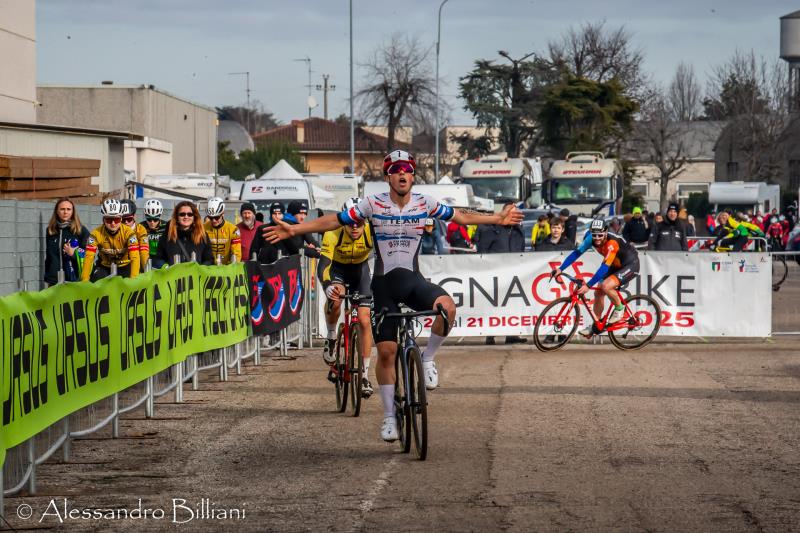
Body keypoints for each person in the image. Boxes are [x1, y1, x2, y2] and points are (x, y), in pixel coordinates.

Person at [263, 149, 522, 442]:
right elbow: (335, 221)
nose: (403, 173)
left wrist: (498, 219)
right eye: (397, 169)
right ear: (388, 176)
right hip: (383, 285)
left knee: (447, 308)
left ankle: (427, 359)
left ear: (412, 175)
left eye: (408, 169)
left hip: (413, 281)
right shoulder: (373, 203)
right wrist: (295, 229)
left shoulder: (426, 202)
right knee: (386, 352)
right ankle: (389, 417)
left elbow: (461, 216)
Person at [318, 197, 375, 398]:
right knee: (336, 300)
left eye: (359, 223)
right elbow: (323, 264)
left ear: (365, 221)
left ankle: (365, 376)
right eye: (350, 223)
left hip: (360, 270)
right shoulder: (332, 232)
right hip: (338, 270)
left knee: (365, 319)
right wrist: (327, 286)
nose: (354, 228)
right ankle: (332, 336)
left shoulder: (371, 231)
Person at [553, 218, 639, 338]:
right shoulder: (590, 239)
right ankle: (596, 325)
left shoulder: (611, 243)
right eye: (594, 235)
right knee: (598, 293)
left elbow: (603, 268)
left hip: (630, 264)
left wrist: (588, 285)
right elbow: (576, 253)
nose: (597, 238)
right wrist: (560, 269)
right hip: (615, 264)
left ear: (605, 232)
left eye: (600, 235)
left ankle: (620, 308)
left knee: (605, 286)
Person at [473, 203, 527, 345]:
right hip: (494, 273)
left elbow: (522, 251)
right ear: (504, 212)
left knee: (513, 304)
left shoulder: (518, 231)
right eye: (511, 212)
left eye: (516, 213)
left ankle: (512, 335)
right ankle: (490, 334)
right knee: (494, 304)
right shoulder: (491, 229)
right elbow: (482, 251)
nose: (514, 215)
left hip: (514, 273)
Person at [81, 199, 140, 281]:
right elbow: (89, 257)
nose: (113, 223)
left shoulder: (129, 233)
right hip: (105, 267)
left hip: (125, 266)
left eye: (116, 219)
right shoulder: (95, 234)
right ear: (103, 219)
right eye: (109, 219)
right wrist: (84, 280)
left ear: (121, 219)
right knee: (96, 278)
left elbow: (135, 257)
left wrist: (133, 280)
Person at [44, 197, 91, 285]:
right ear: (57, 211)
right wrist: (48, 276)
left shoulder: (81, 230)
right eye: (62, 209)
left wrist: (74, 253)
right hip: (54, 280)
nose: (65, 212)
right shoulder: (50, 230)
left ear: (72, 211)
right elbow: (48, 255)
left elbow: (89, 254)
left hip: (73, 279)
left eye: (68, 209)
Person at [157, 201, 214, 265]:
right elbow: (158, 259)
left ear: (194, 217)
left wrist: (200, 268)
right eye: (182, 214)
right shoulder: (168, 235)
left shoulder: (202, 236)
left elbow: (209, 259)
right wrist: (166, 267)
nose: (186, 217)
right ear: (177, 217)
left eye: (190, 214)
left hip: (194, 274)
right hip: (173, 274)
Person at [203, 197, 242, 264]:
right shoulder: (203, 227)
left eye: (216, 217)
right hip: (207, 268)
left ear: (223, 213)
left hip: (227, 268)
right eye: (210, 218)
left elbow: (236, 253)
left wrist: (230, 268)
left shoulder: (233, 229)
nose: (214, 221)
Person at [121, 199, 149, 272]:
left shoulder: (141, 229)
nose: (126, 222)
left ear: (134, 217)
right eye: (123, 220)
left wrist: (147, 271)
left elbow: (144, 253)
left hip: (136, 263)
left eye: (129, 219)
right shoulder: (115, 228)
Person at [141, 199, 168, 269]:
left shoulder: (167, 226)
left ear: (160, 216)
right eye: (149, 219)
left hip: (161, 258)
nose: (152, 222)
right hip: (145, 257)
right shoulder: (141, 227)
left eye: (155, 219)